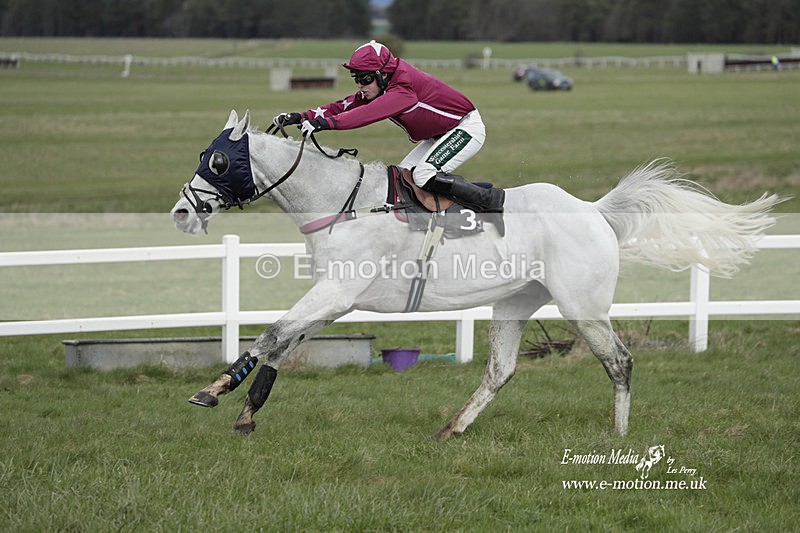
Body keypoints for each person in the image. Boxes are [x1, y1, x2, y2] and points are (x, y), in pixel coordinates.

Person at [272, 40, 504, 212]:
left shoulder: (403, 89)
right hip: (439, 136)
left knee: (423, 175)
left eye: (365, 79)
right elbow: (343, 106)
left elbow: (366, 114)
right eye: (356, 79)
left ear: (383, 74)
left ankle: (489, 201)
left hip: (465, 129)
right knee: (403, 179)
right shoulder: (382, 85)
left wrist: (325, 124)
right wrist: (301, 116)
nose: (360, 86)